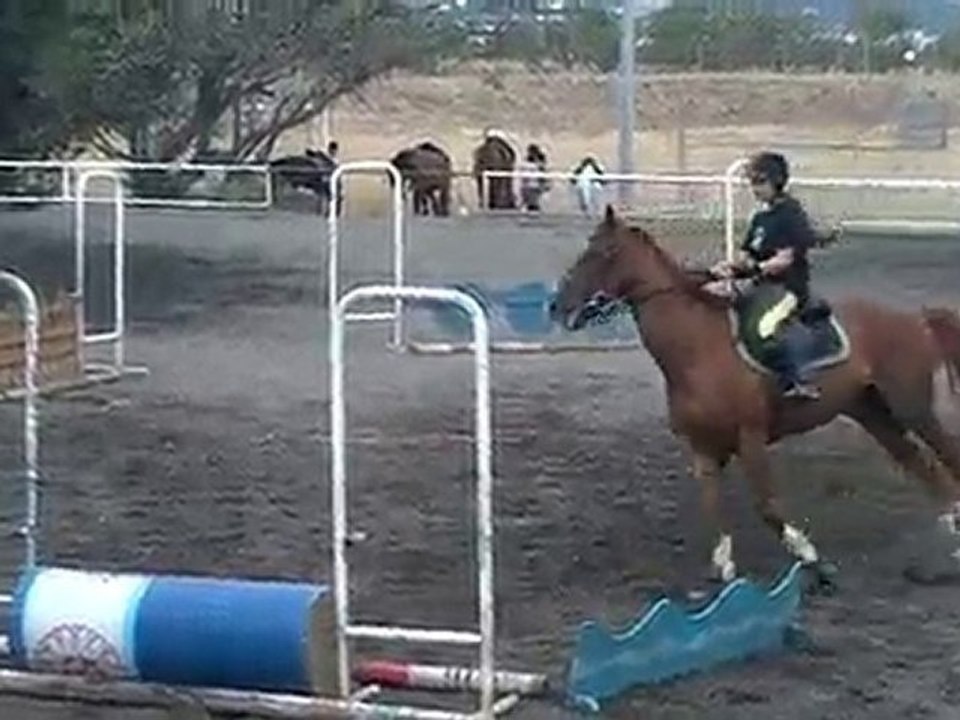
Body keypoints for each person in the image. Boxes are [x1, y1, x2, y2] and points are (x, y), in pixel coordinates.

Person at [711, 151, 838, 401]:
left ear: (777, 182)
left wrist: (754, 269)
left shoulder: (790, 214)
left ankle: (797, 380)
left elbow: (785, 259)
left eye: (760, 182)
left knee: (765, 328)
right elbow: (748, 255)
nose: (755, 189)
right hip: (762, 287)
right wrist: (727, 268)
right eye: (752, 183)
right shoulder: (760, 218)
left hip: (789, 289)